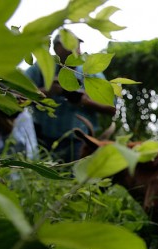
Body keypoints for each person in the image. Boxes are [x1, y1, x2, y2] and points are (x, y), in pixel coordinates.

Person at [25, 30, 116, 162]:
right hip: (42, 138)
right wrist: (48, 91)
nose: (75, 49)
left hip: (80, 141)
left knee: (74, 178)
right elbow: (19, 95)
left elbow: (111, 108)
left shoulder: (91, 74)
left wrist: (86, 101)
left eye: (78, 45)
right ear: (56, 47)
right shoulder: (41, 69)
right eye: (70, 44)